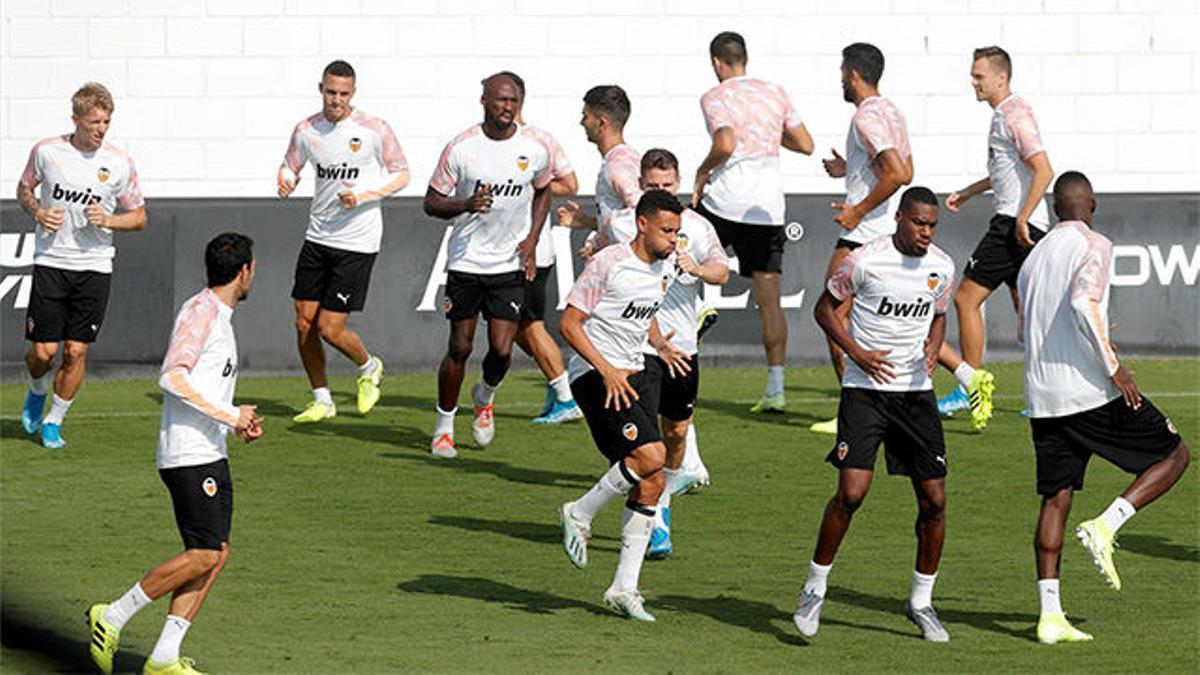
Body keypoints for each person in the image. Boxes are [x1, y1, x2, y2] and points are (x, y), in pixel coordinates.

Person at [1017, 172, 1190, 644]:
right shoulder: (1095, 243)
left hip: (1042, 398)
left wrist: (1094, 333)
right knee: (1175, 454)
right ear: (1091, 203)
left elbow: (1027, 329)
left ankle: (1050, 617)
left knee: (1056, 498)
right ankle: (1107, 525)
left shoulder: (1033, 259)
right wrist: (1115, 366)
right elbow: (1082, 301)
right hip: (1088, 394)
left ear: (1054, 209)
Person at [86, 233, 263, 675]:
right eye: (253, 267)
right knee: (203, 554)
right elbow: (172, 377)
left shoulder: (218, 315)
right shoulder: (201, 312)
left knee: (215, 553)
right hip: (187, 456)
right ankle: (111, 616)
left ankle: (164, 657)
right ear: (244, 271)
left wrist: (233, 422)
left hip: (210, 450)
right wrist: (230, 413)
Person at [793, 188, 955, 642]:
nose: (927, 232)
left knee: (935, 501)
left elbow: (939, 312)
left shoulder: (941, 266)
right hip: (864, 391)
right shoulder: (863, 261)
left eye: (933, 225)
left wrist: (934, 344)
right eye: (920, 223)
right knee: (851, 492)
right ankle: (814, 588)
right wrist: (857, 354)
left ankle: (921, 602)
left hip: (915, 396)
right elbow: (824, 311)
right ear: (900, 218)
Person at [557, 190, 688, 621]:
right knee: (652, 456)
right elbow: (570, 324)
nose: (674, 240)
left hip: (636, 372)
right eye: (668, 231)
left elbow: (643, 308)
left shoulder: (664, 266)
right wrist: (606, 369)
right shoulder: (608, 263)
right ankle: (579, 512)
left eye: (677, 232)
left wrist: (656, 344)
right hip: (595, 376)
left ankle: (622, 589)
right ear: (643, 224)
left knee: (650, 482)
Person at [592, 149, 730, 556]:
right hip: (635, 348)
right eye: (652, 185)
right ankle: (648, 518)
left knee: (676, 433)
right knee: (642, 439)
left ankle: (659, 506)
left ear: (679, 182)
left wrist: (698, 270)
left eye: (667, 185)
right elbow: (599, 250)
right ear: (641, 184)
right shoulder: (622, 224)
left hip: (681, 347)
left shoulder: (699, 228)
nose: (660, 191)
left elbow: (722, 269)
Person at [424, 72, 563, 457]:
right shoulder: (461, 148)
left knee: (502, 351)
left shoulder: (534, 149)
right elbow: (432, 202)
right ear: (484, 100)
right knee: (460, 346)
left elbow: (543, 189)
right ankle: (444, 428)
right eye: (500, 100)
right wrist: (465, 204)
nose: (507, 108)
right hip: (467, 261)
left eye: (514, 101)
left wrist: (533, 240)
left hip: (509, 263)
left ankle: (484, 396)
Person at [277, 60, 410, 423]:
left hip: (357, 241)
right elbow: (290, 163)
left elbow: (402, 174)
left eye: (344, 94)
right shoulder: (306, 130)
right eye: (331, 92)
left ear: (353, 93)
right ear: (320, 88)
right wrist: (286, 179)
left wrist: (364, 195)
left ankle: (369, 366)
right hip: (317, 236)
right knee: (303, 322)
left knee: (329, 328)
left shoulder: (373, 129)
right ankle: (322, 399)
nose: (337, 100)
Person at [17, 82, 147, 449]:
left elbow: (138, 217)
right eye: (94, 122)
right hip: (52, 261)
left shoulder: (119, 162)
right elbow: (24, 188)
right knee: (43, 353)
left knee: (75, 351)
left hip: (94, 266)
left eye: (106, 121)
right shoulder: (46, 152)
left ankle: (54, 422)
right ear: (75, 119)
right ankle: (37, 389)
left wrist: (109, 221)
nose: (101, 129)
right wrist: (39, 212)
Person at [692, 31, 813, 414]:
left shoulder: (715, 96)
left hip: (727, 201)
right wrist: (769, 139)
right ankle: (776, 388)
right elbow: (806, 143)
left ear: (716, 62)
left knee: (676, 254)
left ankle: (696, 307)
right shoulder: (774, 91)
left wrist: (701, 171)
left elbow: (725, 143)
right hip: (766, 209)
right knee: (769, 300)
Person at [936, 46, 1053, 430]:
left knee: (966, 299)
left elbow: (1043, 169)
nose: (973, 82)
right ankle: (1044, 397)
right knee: (1029, 313)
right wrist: (969, 191)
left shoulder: (1014, 114)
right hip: (1020, 224)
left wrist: (1020, 219)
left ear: (1001, 77)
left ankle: (970, 384)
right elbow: (1008, 169)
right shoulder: (1004, 115)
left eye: (978, 76)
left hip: (1012, 226)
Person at [812, 42, 913, 435]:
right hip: (886, 232)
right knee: (875, 319)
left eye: (841, 71)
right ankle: (963, 374)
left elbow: (898, 174)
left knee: (831, 315)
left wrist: (858, 209)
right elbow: (906, 168)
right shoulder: (892, 112)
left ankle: (853, 411)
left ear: (853, 73)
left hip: (863, 235)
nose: (840, 78)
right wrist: (849, 168)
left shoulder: (865, 118)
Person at [504, 71, 585, 426]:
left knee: (529, 323)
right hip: (498, 250)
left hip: (531, 248)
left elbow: (569, 183)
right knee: (518, 326)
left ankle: (566, 396)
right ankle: (558, 382)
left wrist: (531, 181)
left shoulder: (539, 140)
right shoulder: (489, 140)